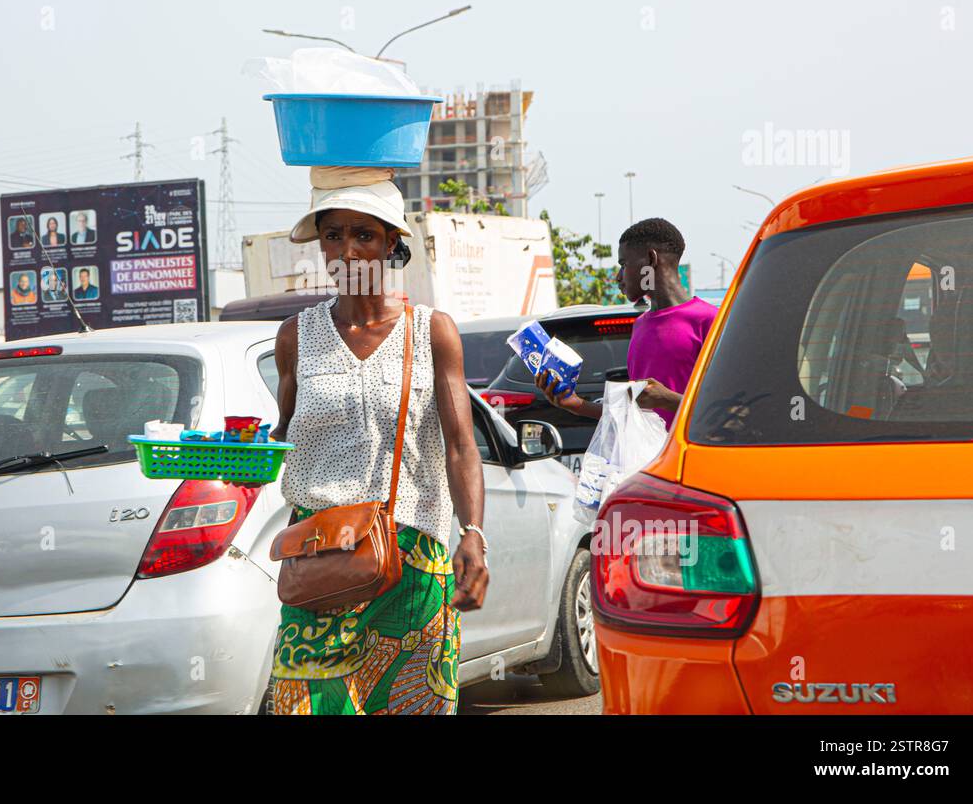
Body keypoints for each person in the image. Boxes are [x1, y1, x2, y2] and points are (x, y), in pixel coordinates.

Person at [266, 180, 488, 715]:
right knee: (305, 704)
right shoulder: (296, 336)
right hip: (320, 559)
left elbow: (461, 446)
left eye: (364, 234)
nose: (347, 251)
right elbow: (283, 437)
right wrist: (234, 457)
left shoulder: (431, 331)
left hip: (412, 565)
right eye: (333, 235)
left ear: (392, 243)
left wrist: (474, 535)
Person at [536, 217, 717, 429]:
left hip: (693, 459)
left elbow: (733, 411)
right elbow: (635, 413)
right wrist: (576, 404)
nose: (618, 277)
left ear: (651, 259)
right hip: (647, 461)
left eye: (624, 264)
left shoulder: (711, 321)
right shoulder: (641, 325)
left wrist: (668, 399)